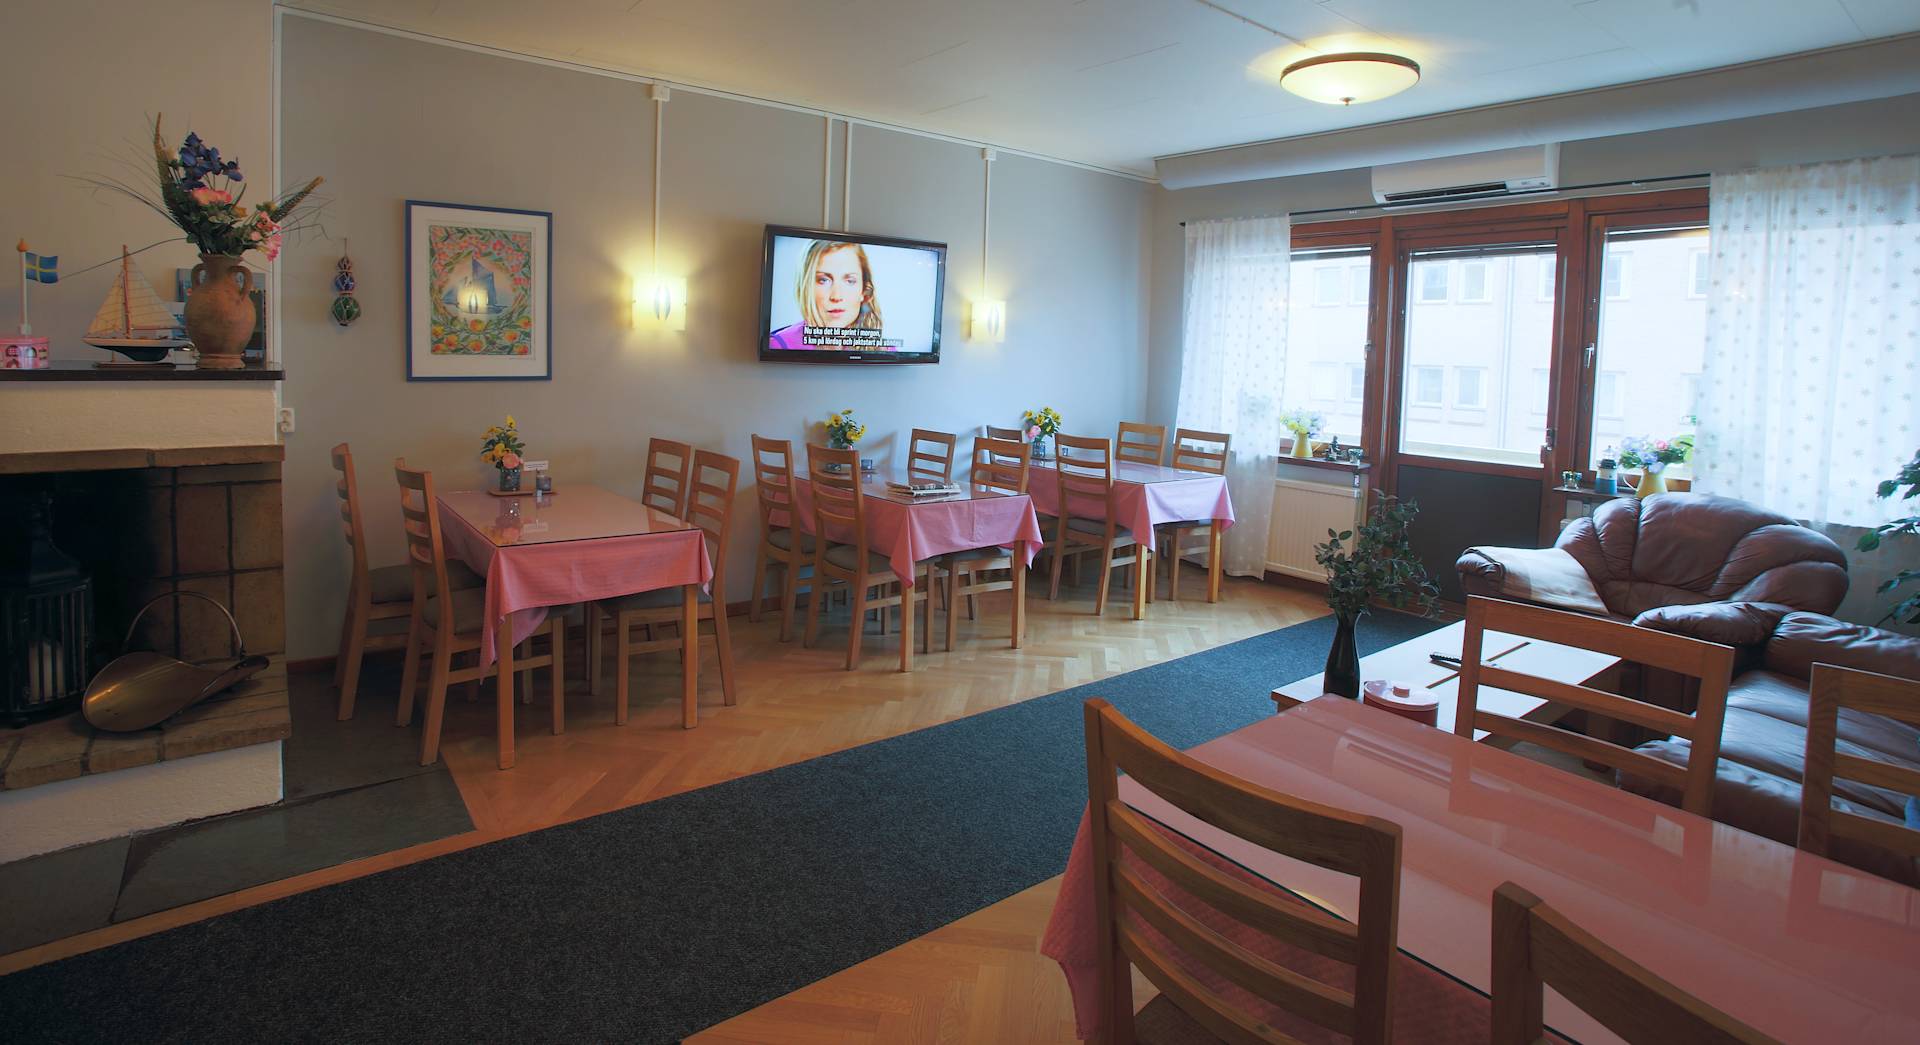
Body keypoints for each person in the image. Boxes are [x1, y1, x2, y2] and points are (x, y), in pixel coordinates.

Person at [768, 239, 887, 351]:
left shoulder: (883, 350)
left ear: (864, 291)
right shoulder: (779, 345)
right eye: (823, 280)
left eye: (850, 281)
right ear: (806, 287)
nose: (836, 296)